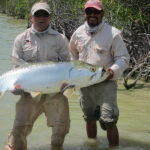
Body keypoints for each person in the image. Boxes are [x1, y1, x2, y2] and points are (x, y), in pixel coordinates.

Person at [5, 2, 70, 150]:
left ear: (50, 17)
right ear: (31, 17)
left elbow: (68, 65)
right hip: (29, 94)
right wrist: (16, 86)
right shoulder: (21, 39)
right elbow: (16, 68)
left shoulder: (60, 39)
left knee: (61, 130)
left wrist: (69, 82)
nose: (41, 18)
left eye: (44, 14)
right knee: (17, 133)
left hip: (55, 93)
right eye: (37, 15)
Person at [69, 0, 130, 147]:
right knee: (89, 119)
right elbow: (72, 55)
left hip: (106, 83)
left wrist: (112, 70)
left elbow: (123, 58)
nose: (92, 15)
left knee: (109, 121)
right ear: (85, 14)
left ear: (102, 14)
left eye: (96, 12)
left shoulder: (113, 33)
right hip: (85, 84)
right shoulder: (78, 33)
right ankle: (92, 145)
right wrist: (74, 73)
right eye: (89, 11)